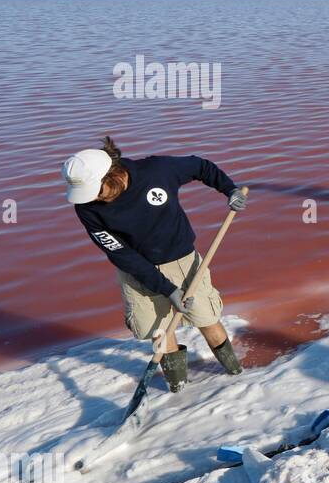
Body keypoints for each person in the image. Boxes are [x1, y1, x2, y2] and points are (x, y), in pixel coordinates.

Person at [62, 137, 248, 392]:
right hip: (137, 272)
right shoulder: (86, 207)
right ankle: (178, 391)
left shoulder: (156, 171)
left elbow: (201, 167)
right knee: (159, 332)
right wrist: (167, 290)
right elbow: (121, 254)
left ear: (114, 174)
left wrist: (230, 189)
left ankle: (237, 376)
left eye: (97, 190)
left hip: (182, 262)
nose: (93, 197)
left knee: (207, 318)